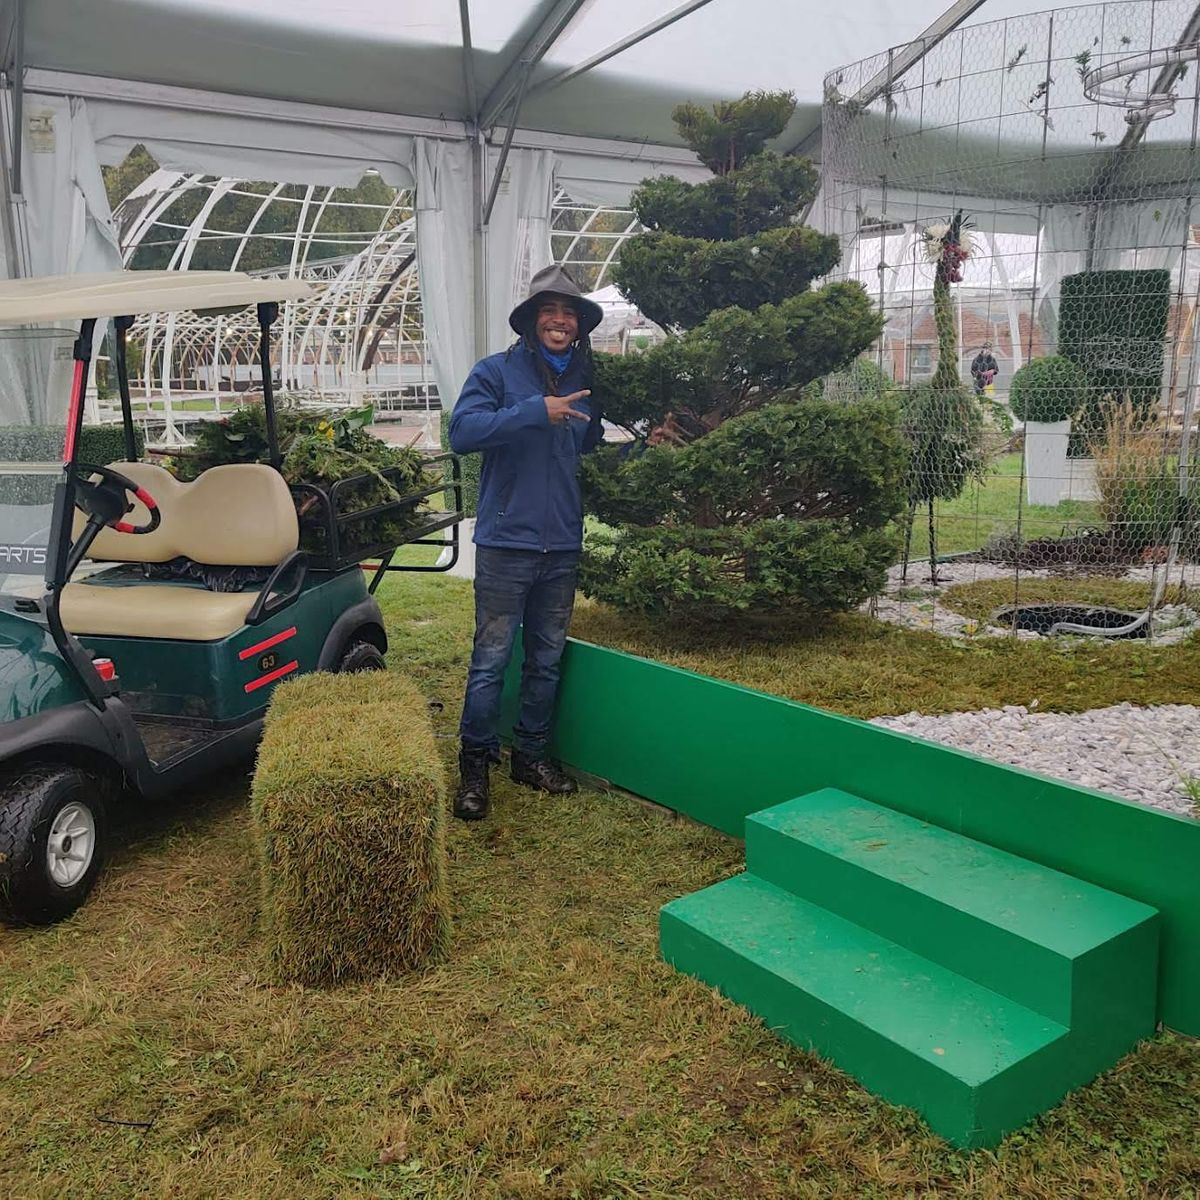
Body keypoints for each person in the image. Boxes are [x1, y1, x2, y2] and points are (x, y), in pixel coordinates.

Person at [447, 265, 604, 821]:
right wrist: (536, 410)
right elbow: (462, 434)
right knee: (490, 659)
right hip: (506, 544)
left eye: (569, 313)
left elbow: (589, 457)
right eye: (550, 311)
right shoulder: (494, 373)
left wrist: (645, 447)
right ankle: (475, 765)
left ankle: (530, 756)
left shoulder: (585, 380)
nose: (560, 321)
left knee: (546, 660)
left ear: (578, 325)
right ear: (532, 320)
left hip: (561, 545)